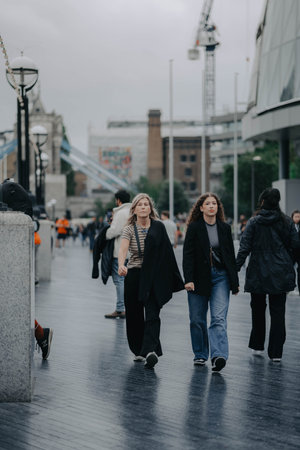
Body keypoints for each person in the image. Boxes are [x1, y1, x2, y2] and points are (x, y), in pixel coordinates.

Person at [118, 193, 184, 369]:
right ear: (134, 209)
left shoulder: (158, 227)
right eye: (140, 205)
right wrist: (121, 265)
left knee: (153, 313)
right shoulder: (129, 229)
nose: (143, 207)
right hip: (134, 274)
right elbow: (123, 250)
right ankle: (139, 350)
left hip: (153, 277)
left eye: (146, 204)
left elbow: (167, 253)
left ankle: (150, 351)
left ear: (150, 208)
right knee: (134, 315)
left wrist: (174, 278)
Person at [236, 188, 300, 362]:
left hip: (258, 271)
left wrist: (234, 270)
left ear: (262, 201)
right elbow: (296, 245)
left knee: (257, 309)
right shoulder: (286, 222)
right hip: (281, 271)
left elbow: (244, 248)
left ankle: (257, 345)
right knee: (278, 312)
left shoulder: (254, 222)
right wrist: (288, 260)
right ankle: (276, 352)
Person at [183, 193, 239, 372]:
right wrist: (189, 279)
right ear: (201, 208)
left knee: (218, 318)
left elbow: (230, 255)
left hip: (221, 277)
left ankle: (218, 356)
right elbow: (188, 255)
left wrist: (234, 282)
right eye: (207, 203)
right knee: (197, 319)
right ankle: (200, 354)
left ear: (218, 207)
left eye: (214, 203)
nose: (211, 206)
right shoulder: (194, 228)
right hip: (198, 279)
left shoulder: (224, 228)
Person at [0, 180, 53, 360]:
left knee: (10, 304)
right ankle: (40, 334)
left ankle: (40, 334)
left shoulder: (8, 199)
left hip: (10, 260)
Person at [105, 190, 131, 319]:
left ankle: (120, 308)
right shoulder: (133, 211)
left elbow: (113, 232)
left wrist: (107, 231)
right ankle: (128, 307)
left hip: (120, 251)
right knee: (128, 280)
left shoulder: (121, 213)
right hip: (133, 252)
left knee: (119, 280)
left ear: (118, 200)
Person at [291, 210, 300, 295]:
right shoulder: (290, 226)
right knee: (290, 269)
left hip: (299, 252)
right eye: (296, 216)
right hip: (292, 251)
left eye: (299, 217)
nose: (297, 218)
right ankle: (291, 286)